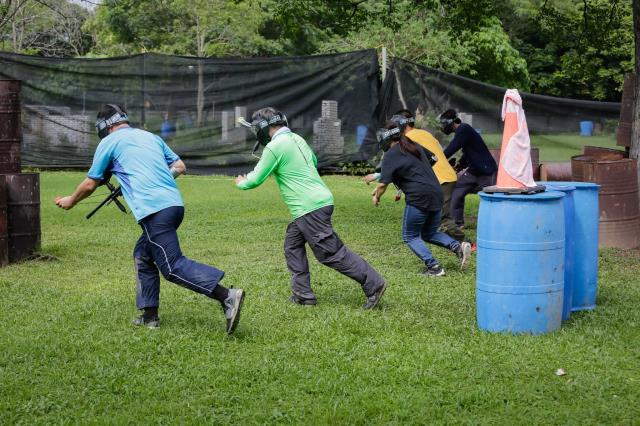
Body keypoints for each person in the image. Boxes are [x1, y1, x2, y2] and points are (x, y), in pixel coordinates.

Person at [54, 104, 245, 334]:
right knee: (143, 256)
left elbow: (90, 183)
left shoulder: (109, 142)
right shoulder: (150, 137)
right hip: (174, 205)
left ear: (106, 127)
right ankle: (149, 316)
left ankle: (227, 296)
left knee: (172, 266)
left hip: (154, 211)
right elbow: (179, 167)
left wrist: (70, 201)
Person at [235, 107, 386, 308]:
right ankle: (303, 294)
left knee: (331, 253)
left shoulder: (274, 147)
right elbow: (313, 161)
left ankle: (374, 284)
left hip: (309, 207)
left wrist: (241, 182)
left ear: (264, 127)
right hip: (317, 202)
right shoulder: (297, 139)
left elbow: (254, 179)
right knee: (293, 245)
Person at [371, 117, 471, 277]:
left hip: (419, 197)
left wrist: (377, 197)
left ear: (385, 139)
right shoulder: (413, 146)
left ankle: (434, 267)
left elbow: (383, 184)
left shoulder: (391, 155)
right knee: (429, 233)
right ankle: (457, 247)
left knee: (410, 236)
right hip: (436, 192)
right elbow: (434, 159)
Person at [372, 109, 463, 241]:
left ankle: (465, 243)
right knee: (438, 215)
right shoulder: (424, 133)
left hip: (439, 180)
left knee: (441, 218)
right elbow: (435, 157)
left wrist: (378, 175)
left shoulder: (408, 139)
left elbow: (393, 160)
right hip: (444, 177)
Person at [440, 109, 497, 228]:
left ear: (451, 122)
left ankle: (493, 225)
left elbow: (453, 147)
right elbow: (468, 153)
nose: (443, 126)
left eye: (444, 123)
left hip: (487, 171)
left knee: (492, 198)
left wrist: (439, 158)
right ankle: (457, 223)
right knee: (457, 190)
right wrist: (460, 166)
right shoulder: (462, 131)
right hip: (473, 171)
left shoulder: (463, 129)